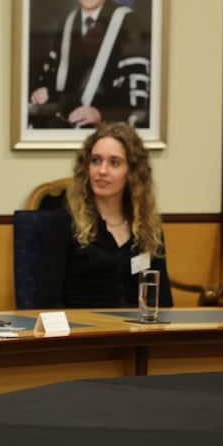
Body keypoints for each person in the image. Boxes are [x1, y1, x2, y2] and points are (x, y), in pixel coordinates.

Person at [39, 121, 172, 308]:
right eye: (95, 161)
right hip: (81, 325)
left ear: (132, 172)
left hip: (137, 326)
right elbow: (48, 302)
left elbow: (163, 301)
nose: (102, 171)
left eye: (114, 163)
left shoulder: (148, 227)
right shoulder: (64, 224)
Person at [29, 0, 151, 130]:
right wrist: (43, 90)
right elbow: (51, 74)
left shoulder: (128, 22)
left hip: (107, 129)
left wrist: (101, 113)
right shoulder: (68, 23)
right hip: (66, 125)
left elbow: (137, 93)